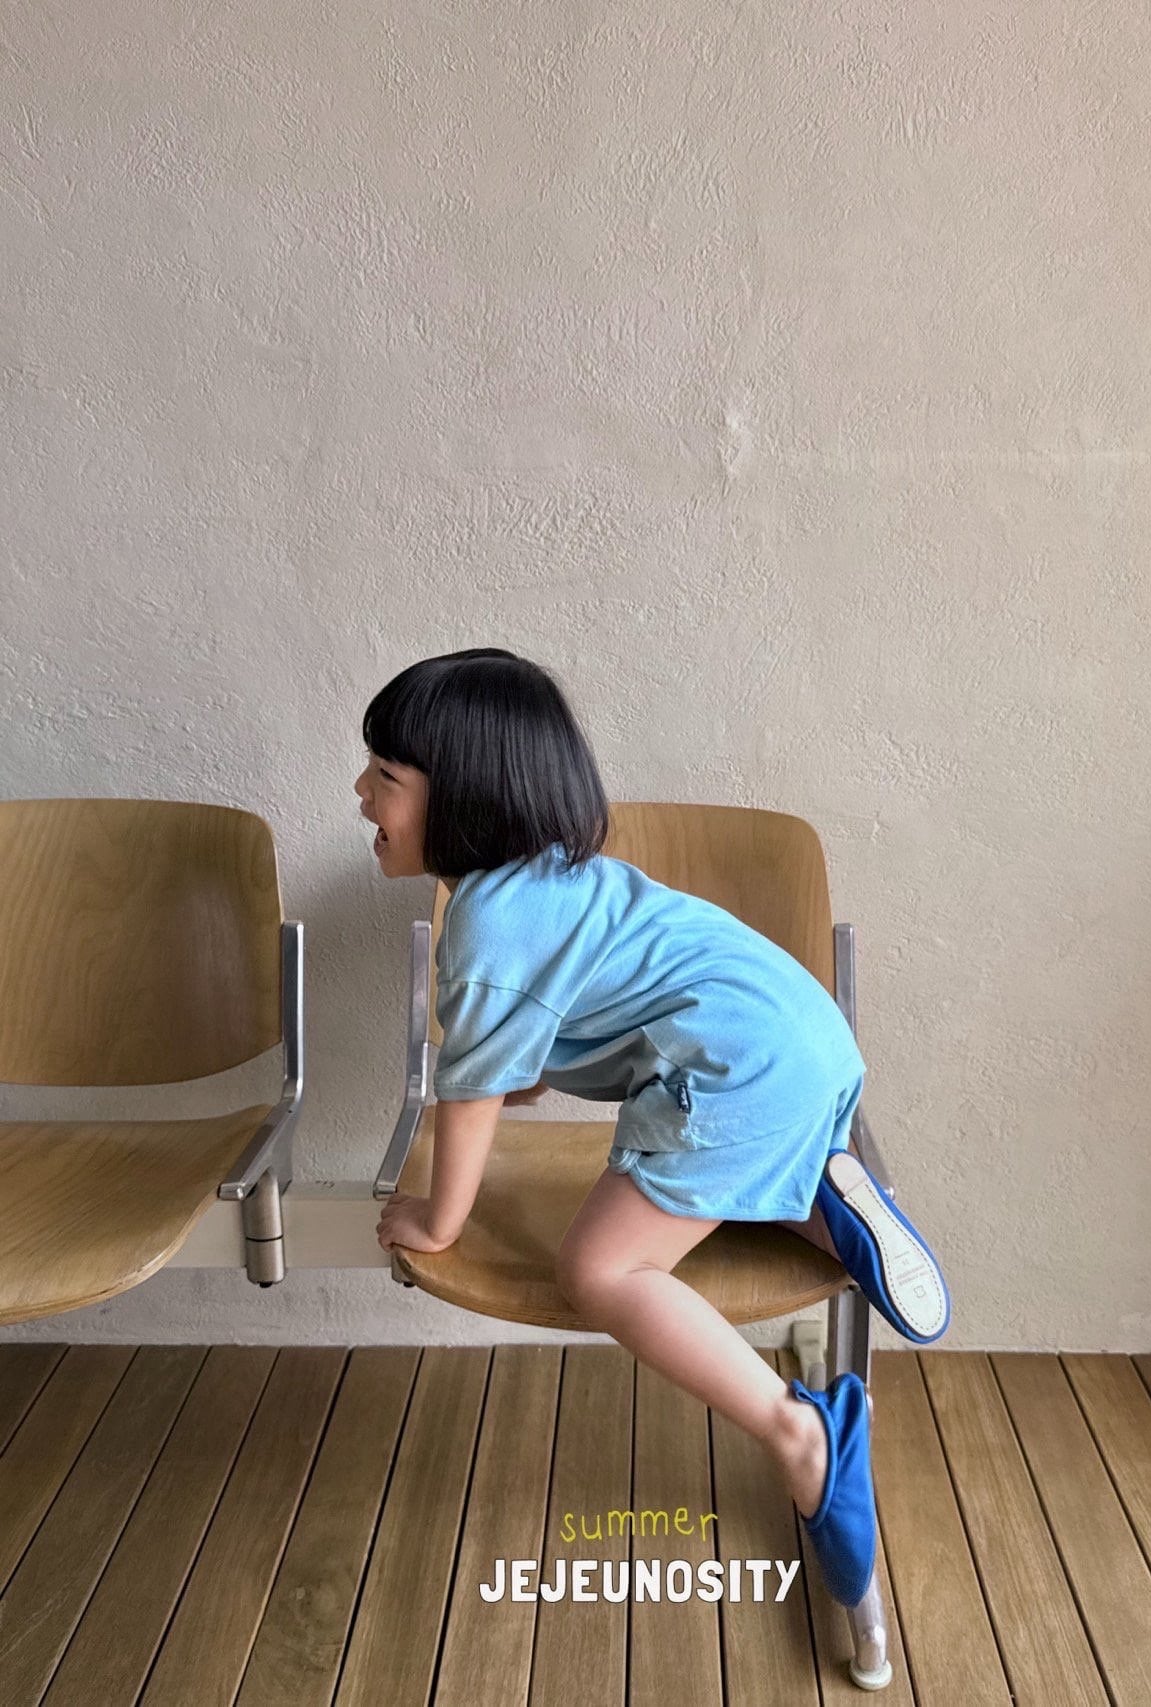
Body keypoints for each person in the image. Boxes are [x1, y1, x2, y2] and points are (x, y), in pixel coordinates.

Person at [357, 648, 949, 1607]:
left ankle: (802, 1431)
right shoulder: (553, 880)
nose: (361, 793)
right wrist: (506, 1084)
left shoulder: (484, 927)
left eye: (385, 775)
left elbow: (467, 1099)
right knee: (712, 1170)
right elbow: (527, 1056)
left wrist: (436, 1218)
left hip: (733, 1068)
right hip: (799, 1039)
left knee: (601, 1269)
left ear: (465, 797)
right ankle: (820, 1201)